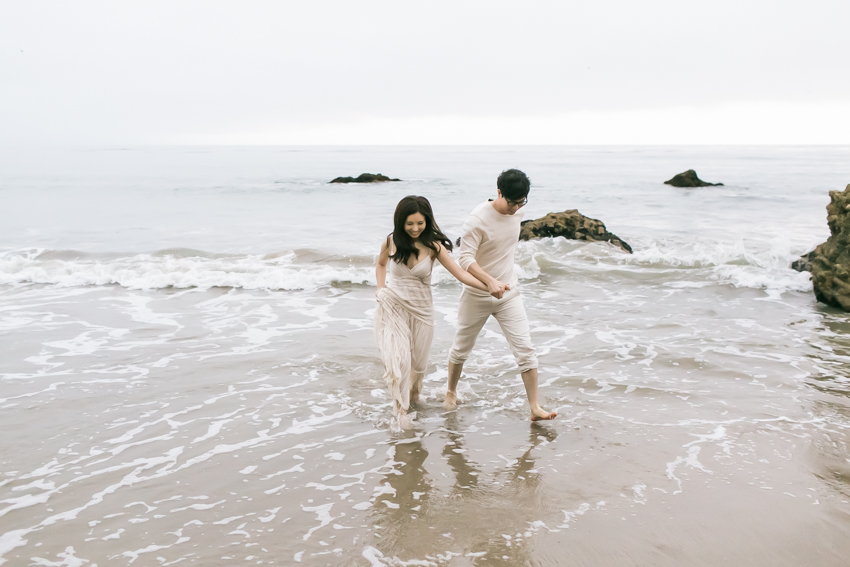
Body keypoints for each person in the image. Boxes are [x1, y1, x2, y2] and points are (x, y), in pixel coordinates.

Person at [375, 195, 509, 428]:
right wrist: (379, 287)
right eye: (410, 224)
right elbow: (381, 264)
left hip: (422, 312)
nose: (415, 228)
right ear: (400, 222)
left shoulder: (433, 246)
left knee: (417, 366)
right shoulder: (391, 241)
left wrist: (489, 285)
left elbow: (460, 274)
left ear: (427, 221)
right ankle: (401, 412)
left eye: (420, 223)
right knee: (399, 361)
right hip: (394, 306)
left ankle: (414, 399)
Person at [445, 169, 557, 421]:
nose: (516, 208)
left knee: (526, 349)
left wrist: (501, 282)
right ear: (498, 192)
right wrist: (489, 281)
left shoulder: (519, 211)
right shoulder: (477, 220)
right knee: (461, 348)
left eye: (521, 202)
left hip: (509, 293)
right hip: (477, 295)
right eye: (512, 202)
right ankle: (451, 391)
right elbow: (464, 258)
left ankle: (534, 409)